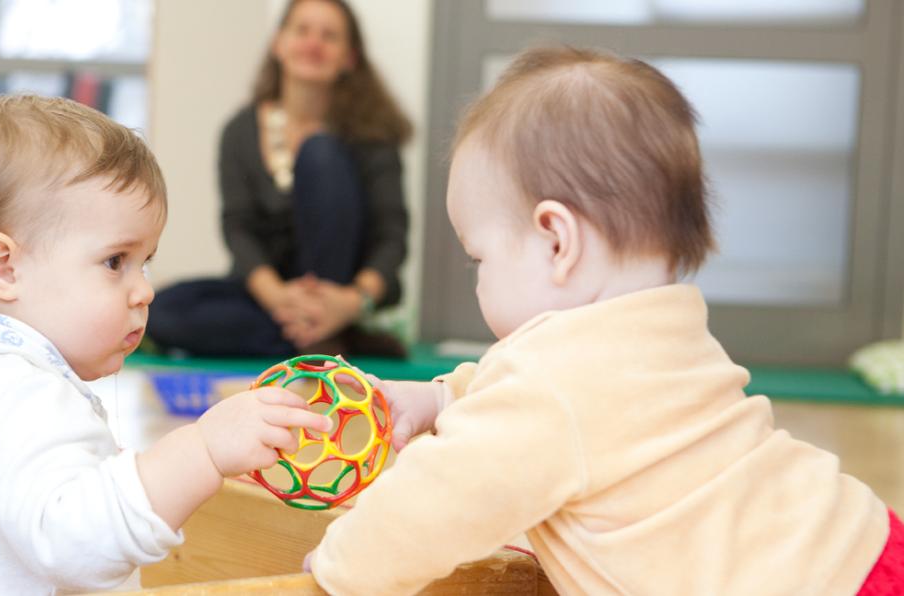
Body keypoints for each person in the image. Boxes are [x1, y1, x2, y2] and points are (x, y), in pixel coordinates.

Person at [306, 46, 903, 595]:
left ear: (556, 241)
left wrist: (338, 567)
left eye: (478, 257)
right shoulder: (665, 333)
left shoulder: (550, 388)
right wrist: (441, 400)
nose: (478, 277)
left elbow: (432, 507)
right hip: (860, 542)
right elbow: (544, 407)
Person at [0, 95, 330, 595]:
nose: (144, 290)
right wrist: (202, 451)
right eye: (115, 261)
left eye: (145, 262)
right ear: (4, 268)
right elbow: (77, 545)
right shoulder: (21, 392)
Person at [147, 0, 412, 357]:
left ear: (349, 57)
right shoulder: (240, 131)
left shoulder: (372, 135)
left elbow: (391, 238)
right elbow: (237, 227)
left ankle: (321, 327)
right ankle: (321, 338)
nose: (313, 43)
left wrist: (348, 302)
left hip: (343, 297)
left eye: (329, 36)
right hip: (269, 295)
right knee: (160, 311)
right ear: (278, 43)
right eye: (302, 31)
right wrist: (277, 297)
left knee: (319, 151)